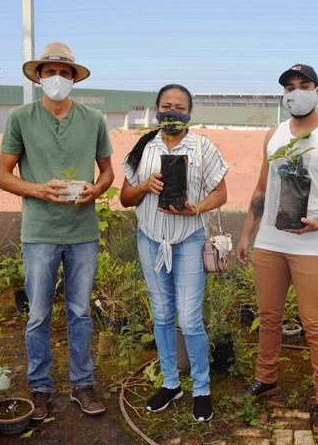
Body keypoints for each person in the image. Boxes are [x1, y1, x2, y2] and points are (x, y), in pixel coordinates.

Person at [233, 64, 318, 435]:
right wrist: (246, 234)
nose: (295, 91)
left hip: (311, 245)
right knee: (268, 316)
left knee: (314, 323)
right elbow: (261, 189)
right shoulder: (274, 134)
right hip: (270, 242)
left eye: (303, 85)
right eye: (289, 86)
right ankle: (265, 378)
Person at [0, 42, 114, 421]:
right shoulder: (20, 118)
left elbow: (108, 171)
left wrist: (98, 188)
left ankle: (82, 383)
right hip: (40, 232)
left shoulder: (94, 119)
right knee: (38, 314)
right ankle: (40, 388)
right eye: (50, 72)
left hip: (83, 231)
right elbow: (2, 176)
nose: (57, 79)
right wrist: (37, 189)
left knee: (80, 312)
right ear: (38, 77)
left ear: (74, 78)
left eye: (65, 73)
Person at [120, 84, 228, 422]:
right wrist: (143, 186)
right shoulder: (143, 148)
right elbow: (125, 198)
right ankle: (170, 383)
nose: (173, 112)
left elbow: (221, 194)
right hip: (150, 240)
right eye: (166, 106)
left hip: (189, 241)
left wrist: (195, 209)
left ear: (190, 113)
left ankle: (201, 388)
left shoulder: (202, 147)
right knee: (163, 316)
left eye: (180, 107)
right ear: (156, 110)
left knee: (189, 318)